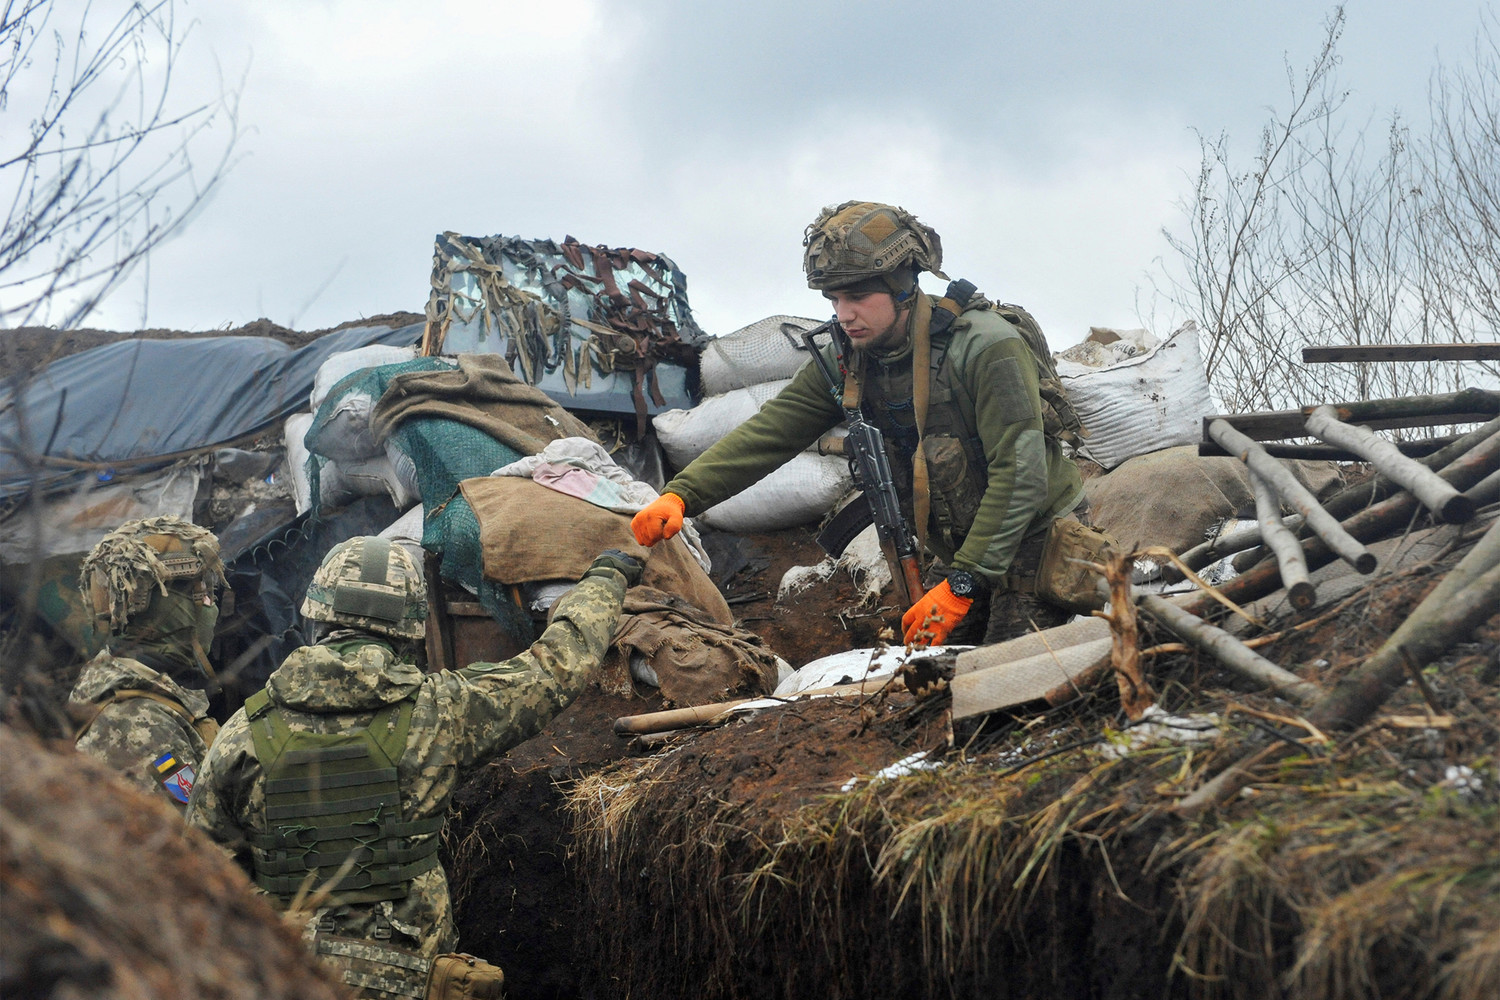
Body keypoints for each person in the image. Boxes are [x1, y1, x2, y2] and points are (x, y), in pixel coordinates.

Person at [186, 535, 642, 999]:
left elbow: (201, 878)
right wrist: (607, 577)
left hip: (285, 978)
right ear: (409, 629)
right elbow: (557, 667)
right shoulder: (443, 712)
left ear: (315, 617)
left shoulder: (240, 733)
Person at [633, 200, 1097, 647]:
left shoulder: (985, 346)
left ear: (902, 287)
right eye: (833, 298)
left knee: (1009, 686)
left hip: (1036, 540)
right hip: (960, 548)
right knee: (928, 674)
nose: (843, 314)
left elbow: (1020, 476)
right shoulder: (849, 358)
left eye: (856, 296)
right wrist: (682, 494)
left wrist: (964, 581)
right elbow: (772, 431)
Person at [67, 515, 225, 811]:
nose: (209, 604)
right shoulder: (141, 724)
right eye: (197, 591)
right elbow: (196, 843)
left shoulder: (124, 689)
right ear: (157, 605)